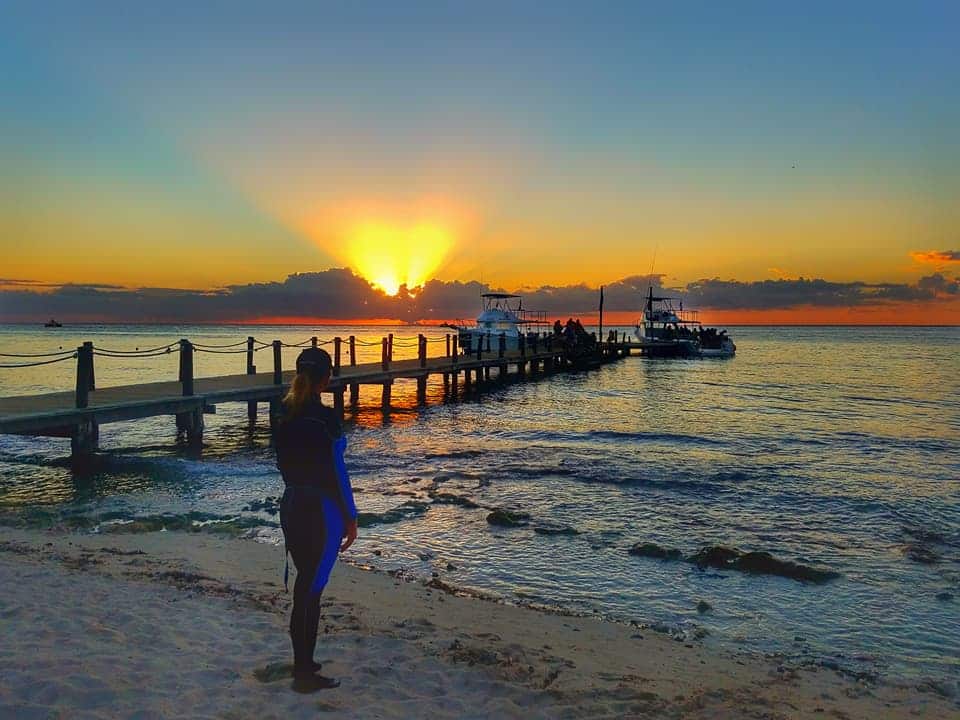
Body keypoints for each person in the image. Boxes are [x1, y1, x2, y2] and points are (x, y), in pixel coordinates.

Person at [272, 347, 358, 693]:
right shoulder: (326, 420)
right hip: (321, 512)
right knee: (311, 589)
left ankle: (303, 663)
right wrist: (350, 517)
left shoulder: (283, 415)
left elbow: (282, 463)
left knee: (304, 587)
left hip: (291, 504)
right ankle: (304, 674)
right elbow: (337, 473)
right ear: (327, 378)